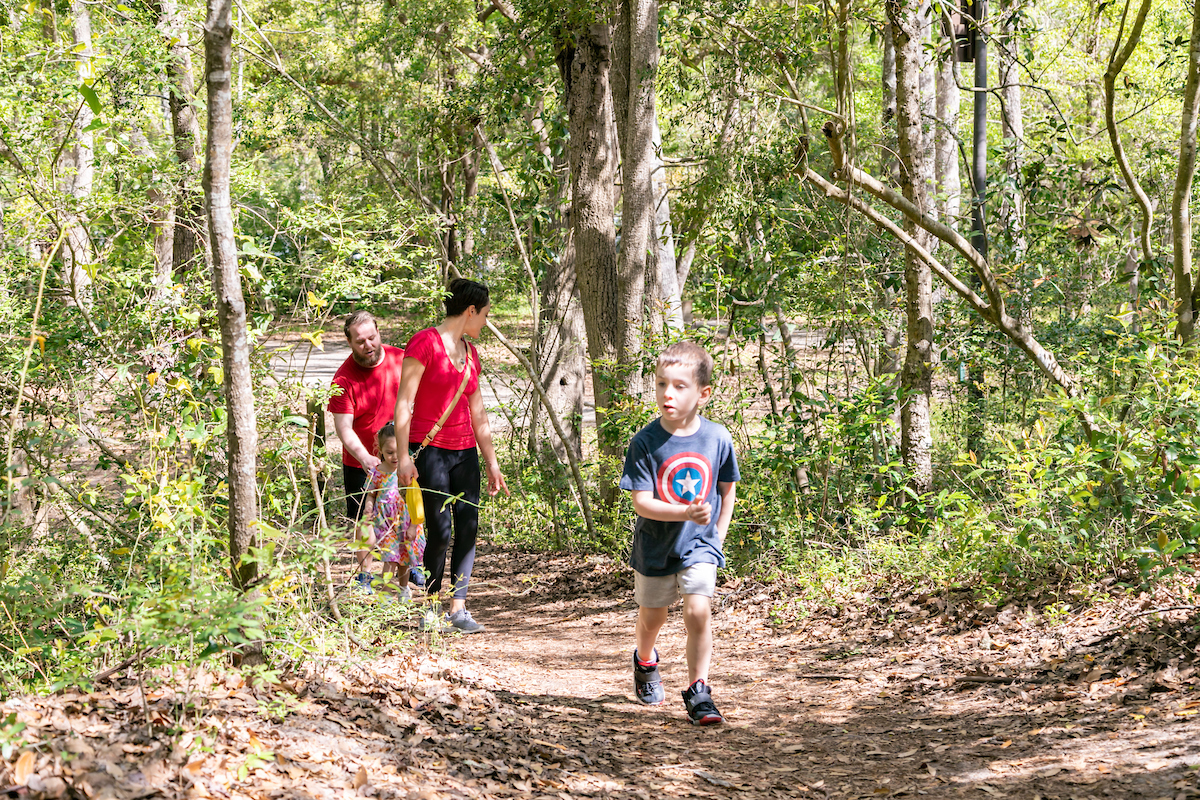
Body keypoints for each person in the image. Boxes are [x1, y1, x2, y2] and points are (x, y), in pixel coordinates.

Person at [619, 342, 740, 725]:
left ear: (703, 394)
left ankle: (698, 690)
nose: (667, 394)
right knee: (653, 616)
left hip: (700, 546)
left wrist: (717, 534)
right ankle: (645, 658)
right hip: (656, 546)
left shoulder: (718, 438)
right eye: (661, 384)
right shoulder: (645, 442)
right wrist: (685, 511)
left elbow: (727, 487)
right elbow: (642, 502)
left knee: (698, 610)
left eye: (679, 386)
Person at [394, 278, 509, 634]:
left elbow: (479, 413)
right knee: (440, 530)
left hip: (465, 454)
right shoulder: (424, 343)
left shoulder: (471, 353)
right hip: (431, 452)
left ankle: (458, 607)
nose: (485, 322)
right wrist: (402, 457)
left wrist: (491, 461)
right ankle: (429, 605)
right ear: (470, 310)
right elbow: (404, 402)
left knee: (468, 527)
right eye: (485, 314)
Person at [327, 311, 411, 589]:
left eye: (372, 338)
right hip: (362, 464)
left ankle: (408, 570)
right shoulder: (343, 380)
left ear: (379, 331)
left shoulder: (403, 360)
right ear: (349, 342)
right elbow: (343, 428)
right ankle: (364, 576)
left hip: (403, 458)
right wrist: (364, 457)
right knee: (365, 521)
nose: (368, 345)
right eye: (360, 341)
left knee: (406, 517)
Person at [360, 423, 425, 600]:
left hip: (406, 523)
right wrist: (368, 507)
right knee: (390, 558)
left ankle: (403, 588)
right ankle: (386, 593)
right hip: (386, 524)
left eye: (398, 451)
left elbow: (415, 500)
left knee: (404, 559)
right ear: (379, 449)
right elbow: (371, 494)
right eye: (389, 452)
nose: (394, 457)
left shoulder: (407, 471)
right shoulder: (377, 473)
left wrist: (414, 526)